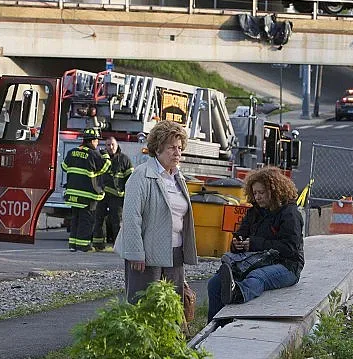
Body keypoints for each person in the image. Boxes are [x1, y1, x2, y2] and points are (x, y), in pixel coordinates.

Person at [114, 120, 196, 304]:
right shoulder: (141, 175)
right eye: (171, 148)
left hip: (175, 253)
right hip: (146, 255)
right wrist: (135, 252)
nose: (177, 153)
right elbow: (131, 216)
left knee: (172, 307)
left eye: (180, 148)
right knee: (145, 307)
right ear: (158, 148)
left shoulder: (178, 177)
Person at [206, 167, 304, 322]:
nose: (257, 197)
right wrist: (236, 243)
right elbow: (240, 234)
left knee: (257, 277)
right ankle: (214, 325)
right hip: (256, 260)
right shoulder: (254, 212)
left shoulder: (290, 214)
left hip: (287, 266)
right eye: (255, 193)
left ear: (274, 191)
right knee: (214, 283)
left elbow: (290, 249)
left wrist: (253, 244)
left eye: (262, 193)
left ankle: (238, 293)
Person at [62, 128, 111, 252]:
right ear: (93, 141)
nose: (97, 143)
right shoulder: (94, 154)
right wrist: (105, 155)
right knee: (86, 221)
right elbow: (105, 168)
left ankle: (73, 245)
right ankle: (84, 246)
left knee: (75, 219)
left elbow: (64, 167)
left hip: (73, 193)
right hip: (88, 195)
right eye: (96, 141)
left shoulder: (72, 152)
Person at [92, 136, 134, 250]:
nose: (110, 147)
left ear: (117, 145)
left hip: (117, 196)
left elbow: (130, 178)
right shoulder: (101, 159)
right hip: (102, 194)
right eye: (108, 145)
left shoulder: (124, 160)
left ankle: (118, 245)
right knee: (98, 219)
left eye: (112, 145)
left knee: (117, 220)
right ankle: (98, 244)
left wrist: (127, 193)